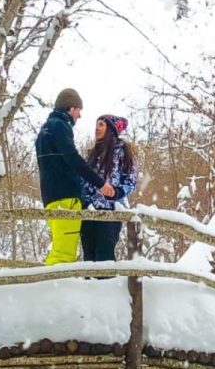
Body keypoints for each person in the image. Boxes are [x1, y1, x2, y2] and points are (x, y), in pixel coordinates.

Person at [36, 88, 115, 265]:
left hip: (51, 197)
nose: (79, 116)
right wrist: (100, 183)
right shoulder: (60, 126)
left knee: (59, 248)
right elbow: (72, 159)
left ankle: (51, 288)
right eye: (79, 110)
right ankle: (51, 290)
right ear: (70, 108)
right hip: (65, 196)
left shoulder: (45, 130)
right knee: (64, 254)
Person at [80, 114, 138, 262]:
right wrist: (84, 200)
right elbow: (83, 180)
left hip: (110, 211)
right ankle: (89, 285)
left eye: (101, 125)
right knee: (88, 257)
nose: (97, 128)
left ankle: (106, 284)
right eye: (96, 124)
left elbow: (131, 181)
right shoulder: (92, 153)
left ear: (110, 129)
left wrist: (117, 192)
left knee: (104, 256)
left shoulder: (123, 152)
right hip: (89, 210)